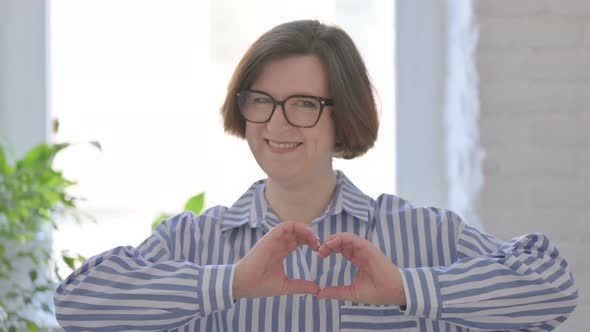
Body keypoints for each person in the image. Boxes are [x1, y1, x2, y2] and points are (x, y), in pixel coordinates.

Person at [54, 20, 578, 331]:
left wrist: (404, 287)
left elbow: (553, 288)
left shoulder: (421, 234)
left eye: (303, 104)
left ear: (343, 115)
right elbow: (76, 304)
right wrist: (230, 283)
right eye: (262, 101)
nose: (277, 123)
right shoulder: (195, 239)